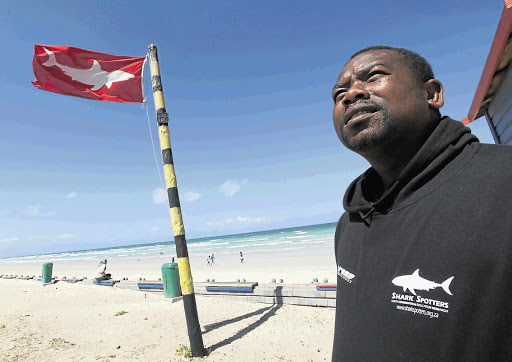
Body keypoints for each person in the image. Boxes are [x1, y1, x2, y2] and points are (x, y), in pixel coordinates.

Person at [331, 46, 512, 360]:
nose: (351, 94)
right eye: (339, 93)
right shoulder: (350, 221)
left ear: (432, 94)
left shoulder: (504, 182)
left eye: (373, 76)